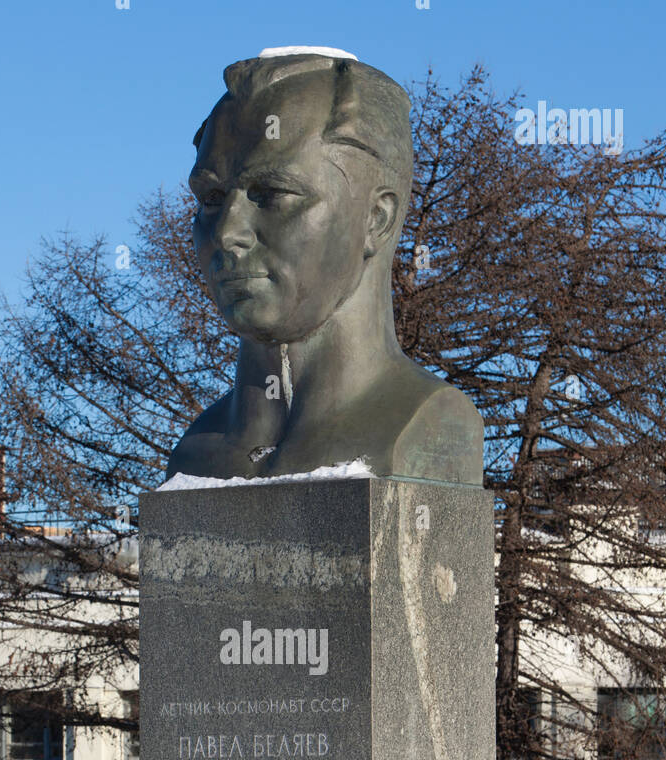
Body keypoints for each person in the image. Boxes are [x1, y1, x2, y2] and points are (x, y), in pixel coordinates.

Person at [166, 47, 482, 484]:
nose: (226, 233)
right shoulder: (195, 454)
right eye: (212, 200)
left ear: (376, 219)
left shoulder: (429, 425)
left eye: (272, 193)